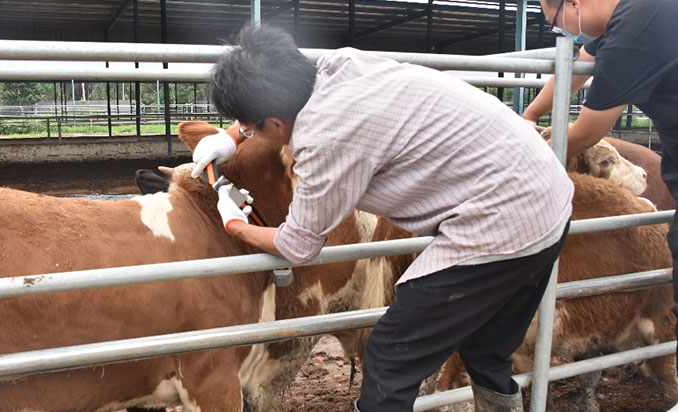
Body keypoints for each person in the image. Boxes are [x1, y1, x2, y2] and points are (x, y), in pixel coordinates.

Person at [195, 24, 573, 411]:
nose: (248, 132)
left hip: (504, 222)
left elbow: (298, 245)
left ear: (274, 124)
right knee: (487, 349)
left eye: (250, 127)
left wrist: (235, 223)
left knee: (390, 356)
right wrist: (231, 137)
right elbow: (275, 107)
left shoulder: (324, 140)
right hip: (548, 198)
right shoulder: (339, 64)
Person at [523, 0, 678, 366]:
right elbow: (575, 70)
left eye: (557, 22)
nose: (564, 31)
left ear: (573, 4)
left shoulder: (633, 34)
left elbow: (588, 131)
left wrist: (529, 160)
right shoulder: (630, 16)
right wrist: (529, 115)